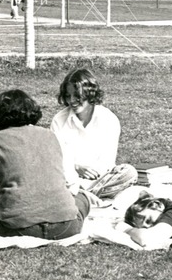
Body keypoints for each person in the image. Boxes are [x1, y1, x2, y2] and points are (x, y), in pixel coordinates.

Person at [0, 90, 91, 239]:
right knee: (83, 197)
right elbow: (72, 185)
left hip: (18, 229)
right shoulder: (54, 137)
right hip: (66, 227)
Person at [50, 69, 137, 200]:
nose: (72, 101)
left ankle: (83, 197)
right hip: (67, 178)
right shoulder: (59, 120)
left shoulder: (108, 119)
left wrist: (88, 178)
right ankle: (86, 197)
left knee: (129, 172)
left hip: (100, 179)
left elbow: (106, 163)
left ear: (89, 94)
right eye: (68, 96)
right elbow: (57, 160)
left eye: (77, 96)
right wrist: (77, 168)